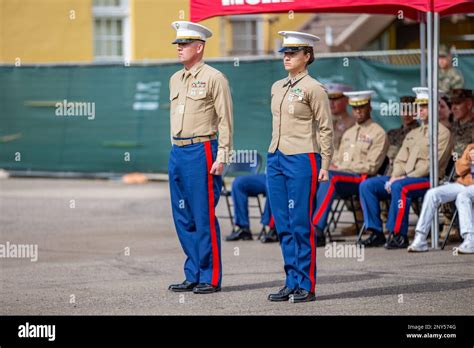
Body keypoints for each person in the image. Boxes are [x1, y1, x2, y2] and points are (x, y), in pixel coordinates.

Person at [266, 31, 333, 303]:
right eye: (285, 52)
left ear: (307, 56)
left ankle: (306, 284)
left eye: (293, 52)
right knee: (282, 224)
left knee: (300, 223)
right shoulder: (277, 86)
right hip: (276, 156)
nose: (287, 56)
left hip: (303, 157)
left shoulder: (314, 88)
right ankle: (291, 281)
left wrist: (325, 163)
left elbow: (326, 129)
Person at [167, 21, 233, 294]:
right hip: (178, 151)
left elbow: (226, 120)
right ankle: (192, 272)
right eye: (178, 44)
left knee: (203, 216)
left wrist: (223, 155)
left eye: (184, 44)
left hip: (202, 150)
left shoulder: (215, 78)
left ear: (199, 46)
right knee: (183, 217)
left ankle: (210, 276)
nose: (180, 48)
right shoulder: (174, 79)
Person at [358, 87, 453, 249]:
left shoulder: (443, 133)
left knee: (400, 187)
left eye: (425, 106)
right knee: (367, 186)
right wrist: (395, 175)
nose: (420, 110)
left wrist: (404, 178)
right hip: (404, 179)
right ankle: (376, 232)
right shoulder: (413, 133)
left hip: (428, 179)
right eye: (419, 106)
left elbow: (432, 164)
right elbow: (400, 160)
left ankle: (398, 234)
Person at [312, 91, 389, 244]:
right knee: (313, 176)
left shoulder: (378, 133)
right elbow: (339, 159)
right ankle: (304, 225)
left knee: (330, 178)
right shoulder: (349, 133)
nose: (358, 111)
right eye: (355, 108)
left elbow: (372, 166)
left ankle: (317, 228)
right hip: (344, 177)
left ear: (369, 108)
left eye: (362, 107)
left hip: (362, 178)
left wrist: (344, 167)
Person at [408, 144, 474, 254]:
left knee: (462, 196)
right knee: (432, 193)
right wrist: (469, 161)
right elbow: (458, 170)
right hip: (464, 184)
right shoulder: (471, 147)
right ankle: (420, 238)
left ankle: (470, 240)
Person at [225, 173, 278, 243]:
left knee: (273, 184)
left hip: (281, 176)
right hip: (267, 175)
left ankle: (274, 229)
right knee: (238, 183)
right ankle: (243, 228)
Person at [386, 96, 419, 176]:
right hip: (388, 172)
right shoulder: (392, 134)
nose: (406, 114)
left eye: (410, 110)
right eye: (403, 110)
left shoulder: (420, 133)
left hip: (407, 174)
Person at [326, 83, 354, 151]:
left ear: (347, 100)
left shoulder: (353, 124)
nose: (331, 102)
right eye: (329, 98)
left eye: (335, 98)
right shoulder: (320, 122)